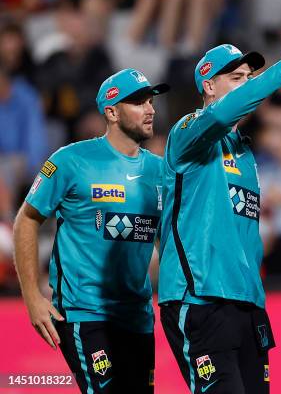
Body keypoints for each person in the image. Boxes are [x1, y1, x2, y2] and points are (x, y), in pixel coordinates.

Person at [157, 24, 281, 393]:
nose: (247, 84)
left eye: (250, 77)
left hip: (246, 302)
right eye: (236, 78)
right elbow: (218, 117)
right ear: (209, 86)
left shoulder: (245, 152)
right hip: (200, 297)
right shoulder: (188, 133)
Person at [13, 68, 169, 393]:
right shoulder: (70, 160)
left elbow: (166, 241)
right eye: (139, 101)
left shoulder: (159, 170)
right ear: (111, 112)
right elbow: (26, 221)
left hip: (138, 314)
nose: (151, 109)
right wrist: (31, 296)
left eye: (151, 101)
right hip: (86, 311)